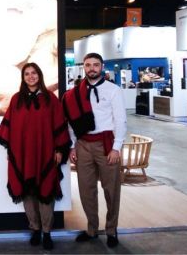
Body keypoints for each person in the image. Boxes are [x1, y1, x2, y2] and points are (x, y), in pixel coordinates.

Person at [0, 63, 71, 250]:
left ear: (40, 75)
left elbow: (59, 124)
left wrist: (60, 150)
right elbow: (11, 127)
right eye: (27, 74)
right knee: (27, 192)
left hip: (46, 153)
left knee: (46, 192)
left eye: (34, 73)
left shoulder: (50, 99)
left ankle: (47, 232)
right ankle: (35, 228)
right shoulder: (16, 100)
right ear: (23, 77)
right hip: (22, 154)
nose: (30, 77)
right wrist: (11, 153)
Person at [62, 52, 126, 248]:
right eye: (88, 65)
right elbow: (71, 123)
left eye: (95, 65)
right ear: (84, 68)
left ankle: (111, 229)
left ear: (102, 67)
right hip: (83, 145)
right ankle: (91, 228)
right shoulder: (73, 94)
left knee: (111, 189)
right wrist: (72, 145)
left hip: (106, 144)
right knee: (86, 189)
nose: (92, 68)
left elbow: (121, 120)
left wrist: (117, 148)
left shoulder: (113, 90)